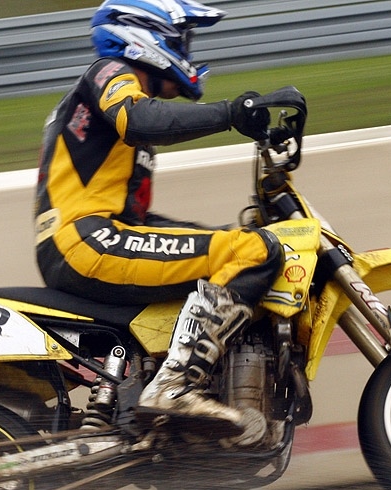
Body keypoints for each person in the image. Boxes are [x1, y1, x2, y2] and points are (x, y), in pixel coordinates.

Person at [34, 0, 282, 448]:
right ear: (145, 38)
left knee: (234, 243)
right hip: (86, 239)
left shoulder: (116, 102)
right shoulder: (110, 73)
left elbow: (140, 220)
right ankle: (174, 388)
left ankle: (186, 430)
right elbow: (139, 119)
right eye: (180, 42)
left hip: (93, 237)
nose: (186, 53)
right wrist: (231, 114)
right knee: (254, 251)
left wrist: (220, 233)